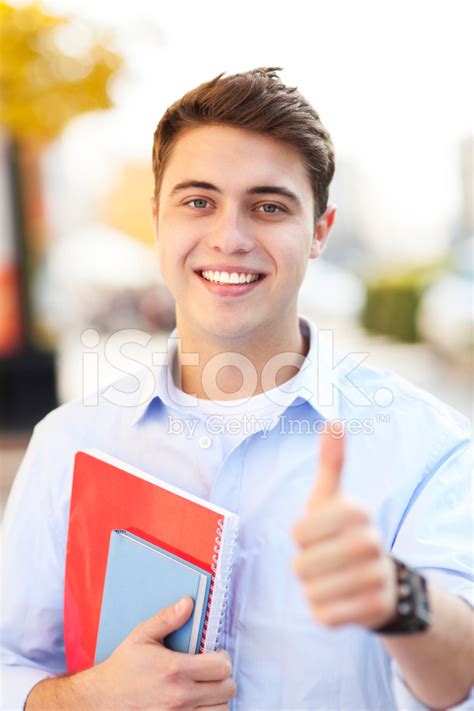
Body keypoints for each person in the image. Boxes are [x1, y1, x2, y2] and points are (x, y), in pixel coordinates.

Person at [1, 67, 473, 710]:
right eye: (198, 201)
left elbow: (460, 680)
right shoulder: (70, 444)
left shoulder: (428, 446)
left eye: (269, 206)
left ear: (320, 232)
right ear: (158, 220)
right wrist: (84, 699)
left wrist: (396, 598)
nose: (230, 236)